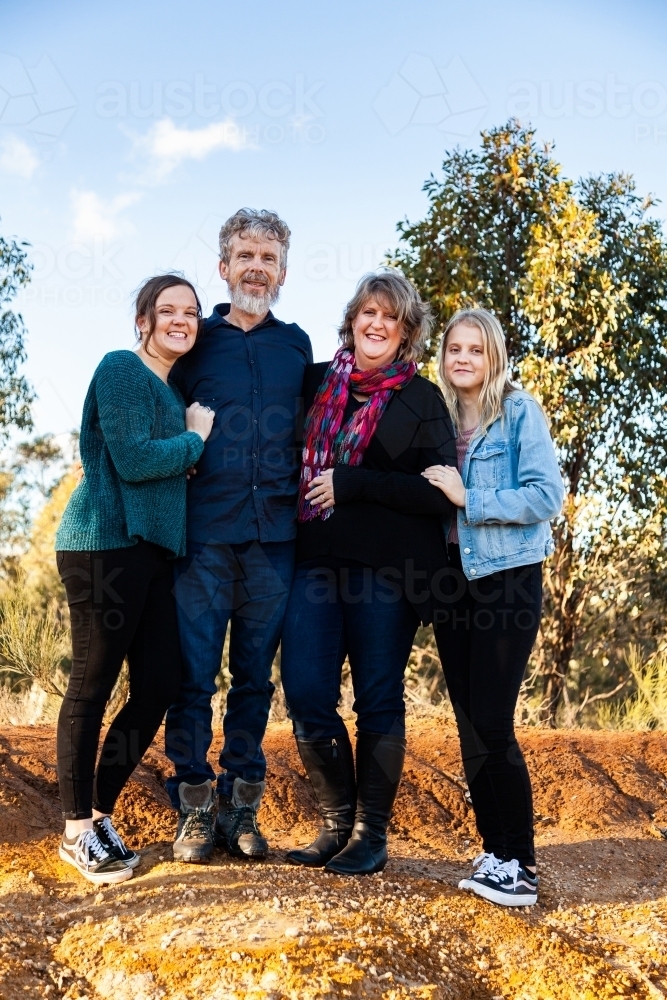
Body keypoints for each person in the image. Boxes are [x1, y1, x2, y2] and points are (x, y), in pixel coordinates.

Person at [280, 269, 456, 876]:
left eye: (392, 318)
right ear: (352, 320)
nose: (377, 324)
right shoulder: (314, 384)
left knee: (378, 698)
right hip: (314, 563)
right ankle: (335, 825)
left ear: (406, 333)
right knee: (304, 689)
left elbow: (438, 493)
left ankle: (370, 834)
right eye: (368, 313)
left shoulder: (421, 399)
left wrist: (354, 483)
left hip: (387, 573)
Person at [54, 274, 215, 885]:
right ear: (143, 319)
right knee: (91, 686)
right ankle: (74, 832)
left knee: (158, 684)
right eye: (168, 309)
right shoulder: (122, 366)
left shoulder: (171, 394)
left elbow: (161, 466)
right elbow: (135, 459)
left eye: (192, 312)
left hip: (149, 556)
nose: (181, 319)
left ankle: (96, 815)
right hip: (102, 548)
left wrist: (183, 451)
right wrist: (194, 441)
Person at [164, 209, 312, 863]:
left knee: (254, 679)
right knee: (193, 676)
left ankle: (243, 810)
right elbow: (164, 418)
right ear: (223, 268)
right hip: (202, 536)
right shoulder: (194, 342)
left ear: (282, 272)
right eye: (246, 255)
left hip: (274, 539)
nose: (257, 267)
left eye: (269, 257)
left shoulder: (295, 346)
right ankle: (195, 810)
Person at [423, 307, 564, 907]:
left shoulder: (518, 413)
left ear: (493, 356)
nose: (463, 359)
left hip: (507, 578)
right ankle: (494, 850)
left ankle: (522, 864)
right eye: (455, 348)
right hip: (454, 583)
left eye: (475, 350)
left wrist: (468, 495)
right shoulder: (437, 418)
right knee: (467, 723)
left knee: (493, 720)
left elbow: (546, 495)